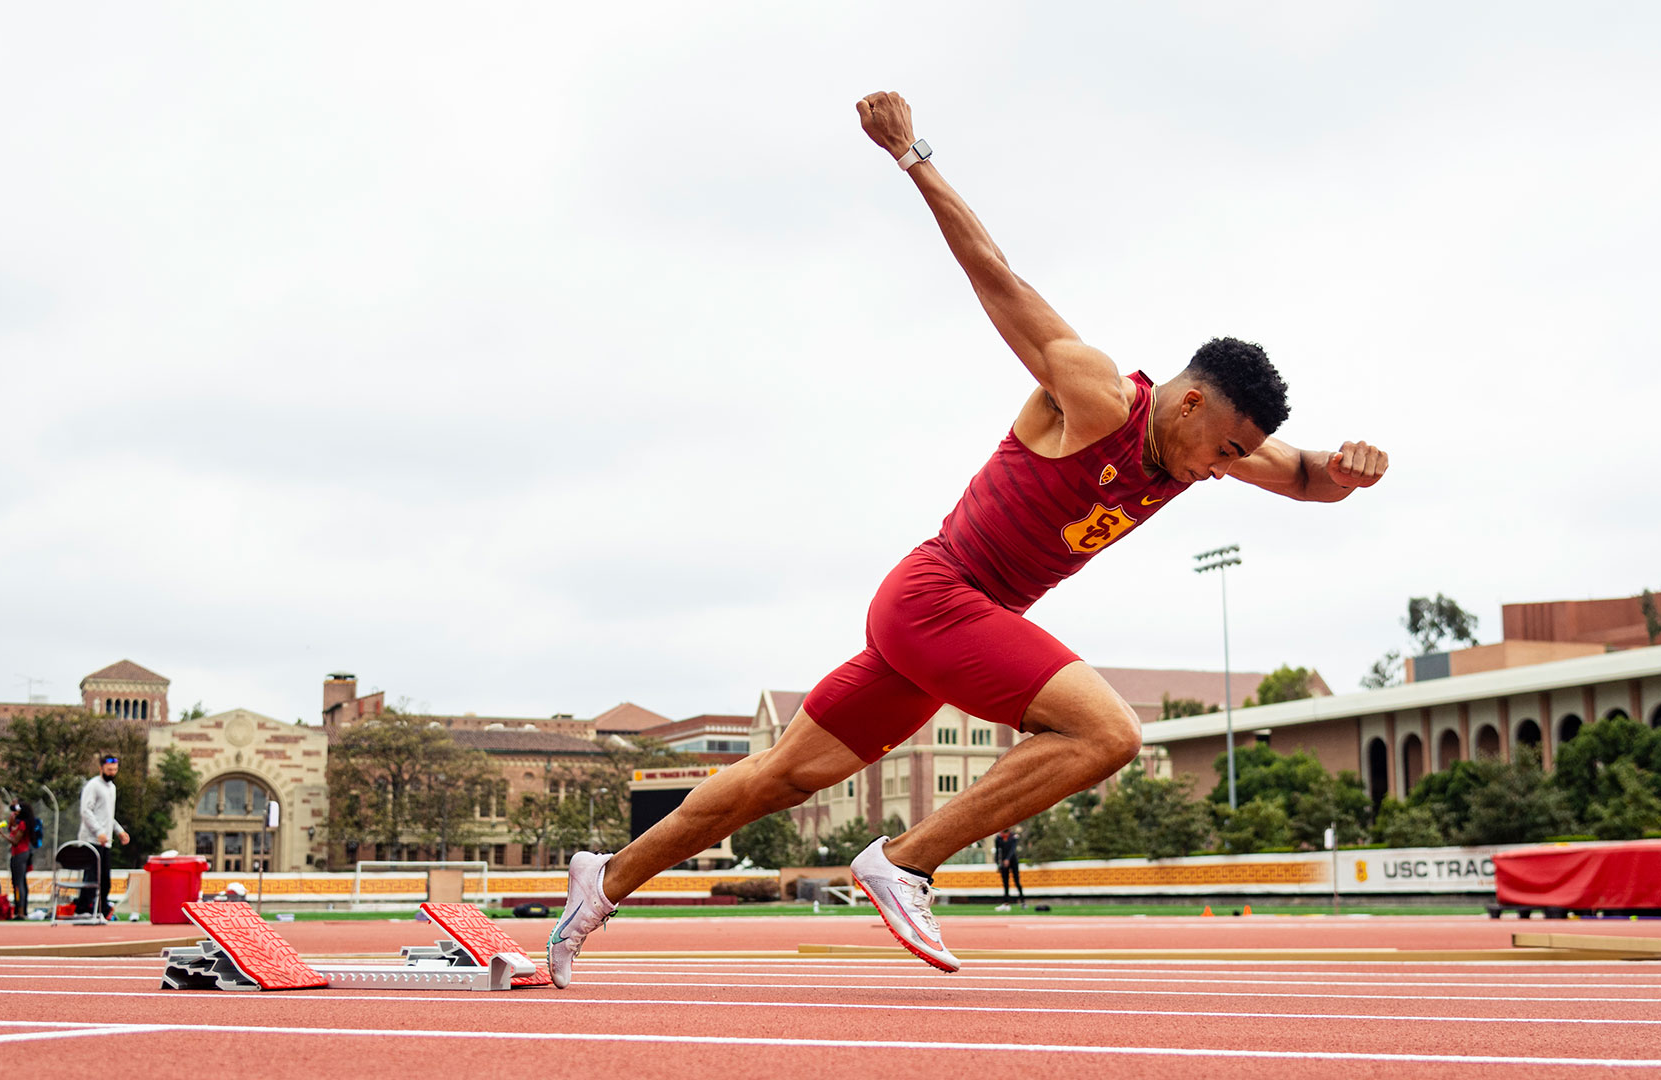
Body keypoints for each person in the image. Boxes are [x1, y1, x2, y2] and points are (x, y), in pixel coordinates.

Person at [546, 90, 1389, 984]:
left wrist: (1345, 468)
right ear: (1187, 404)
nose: (1225, 470)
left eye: (1237, 458)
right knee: (1110, 733)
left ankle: (601, 882)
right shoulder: (1098, 398)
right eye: (1223, 450)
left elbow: (1303, 478)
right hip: (940, 596)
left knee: (782, 776)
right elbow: (995, 273)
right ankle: (904, 861)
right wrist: (913, 155)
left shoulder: (1200, 452)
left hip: (939, 629)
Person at [78, 753, 129, 922]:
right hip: (92, 840)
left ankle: (101, 909)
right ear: (101, 769)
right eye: (109, 770)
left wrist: (119, 831)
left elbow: (107, 815)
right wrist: (98, 831)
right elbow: (86, 811)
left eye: (115, 770)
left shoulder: (111, 788)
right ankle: (83, 909)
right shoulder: (93, 786)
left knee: (105, 879)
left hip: (105, 841)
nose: (112, 773)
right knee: (91, 876)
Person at [0, 799, 38, 919]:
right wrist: (11, 821)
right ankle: (21, 910)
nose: (16, 811)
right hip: (19, 854)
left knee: (18, 883)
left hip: (20, 854)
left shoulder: (23, 824)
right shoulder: (20, 823)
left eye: (18, 809)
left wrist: (2, 834)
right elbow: (13, 831)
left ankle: (20, 911)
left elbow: (15, 841)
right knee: (19, 883)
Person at [994, 827, 1022, 911]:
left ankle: (1023, 901)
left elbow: (1013, 849)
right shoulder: (998, 838)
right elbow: (998, 851)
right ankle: (1006, 903)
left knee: (1017, 881)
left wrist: (1008, 859)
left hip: (1013, 861)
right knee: (1005, 883)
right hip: (1003, 863)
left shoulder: (1013, 837)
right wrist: (998, 864)